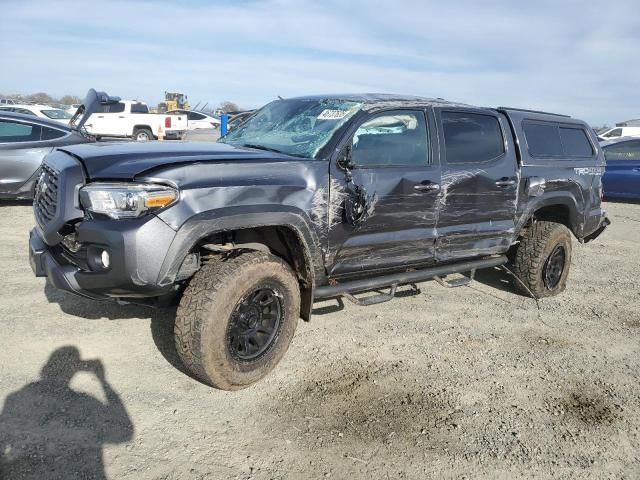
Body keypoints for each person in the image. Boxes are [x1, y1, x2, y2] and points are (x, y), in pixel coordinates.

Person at [0, 346, 133, 479]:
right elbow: (125, 432)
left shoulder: (17, 398)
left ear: (45, 368)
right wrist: (102, 380)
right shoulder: (86, 403)